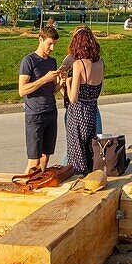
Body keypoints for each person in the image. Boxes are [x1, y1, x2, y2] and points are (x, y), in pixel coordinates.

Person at [18, 26, 63, 175]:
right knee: (34, 161)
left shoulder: (52, 61)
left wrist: (61, 82)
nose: (52, 48)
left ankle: (40, 186)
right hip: (35, 116)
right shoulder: (29, 61)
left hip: (51, 112)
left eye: (54, 44)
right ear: (40, 39)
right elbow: (22, 90)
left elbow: (52, 91)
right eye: (49, 43)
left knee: (45, 158)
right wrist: (44, 79)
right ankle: (26, 188)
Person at [64, 26, 104, 174]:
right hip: (92, 112)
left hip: (78, 114)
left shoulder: (79, 65)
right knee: (89, 151)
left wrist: (68, 83)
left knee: (77, 152)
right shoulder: (100, 63)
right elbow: (99, 90)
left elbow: (73, 98)